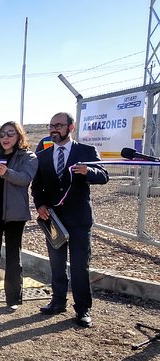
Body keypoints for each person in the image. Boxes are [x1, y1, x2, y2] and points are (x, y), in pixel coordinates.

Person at [31, 112, 108, 328]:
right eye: (51, 125)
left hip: (79, 220)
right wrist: (40, 205)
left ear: (71, 127)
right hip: (53, 219)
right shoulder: (43, 155)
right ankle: (58, 302)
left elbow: (103, 176)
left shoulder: (86, 151)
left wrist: (88, 171)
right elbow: (37, 186)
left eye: (59, 125)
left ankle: (83, 309)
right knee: (56, 263)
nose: (54, 129)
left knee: (79, 265)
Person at [0, 121, 38, 311]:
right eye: (2, 135)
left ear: (19, 136)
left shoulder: (28, 156)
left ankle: (13, 300)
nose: (5, 138)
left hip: (15, 215)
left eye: (10, 134)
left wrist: (6, 172)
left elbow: (25, 179)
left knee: (13, 257)